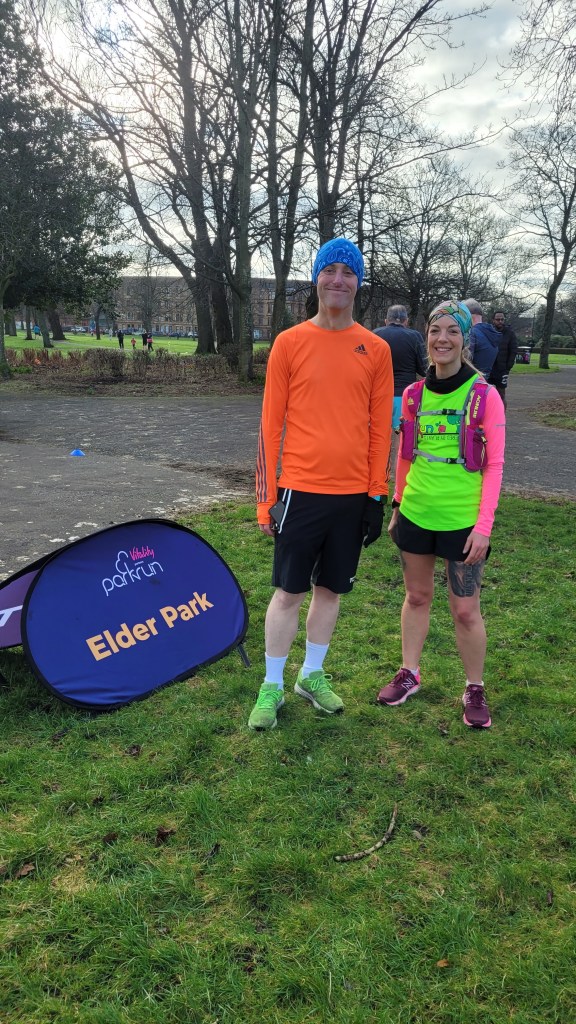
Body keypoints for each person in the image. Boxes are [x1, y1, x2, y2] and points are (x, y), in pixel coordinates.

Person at [250, 238, 394, 730]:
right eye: (329, 270)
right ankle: (271, 686)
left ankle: (311, 675)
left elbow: (380, 428)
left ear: (358, 283)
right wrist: (265, 498)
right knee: (289, 592)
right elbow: (270, 426)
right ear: (317, 278)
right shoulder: (289, 343)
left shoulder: (375, 349)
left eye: (348, 272)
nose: (338, 279)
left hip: (352, 496)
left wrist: (378, 494)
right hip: (298, 491)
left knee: (330, 591)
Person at [377, 300, 505, 729]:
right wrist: (398, 504)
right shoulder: (413, 394)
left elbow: (494, 466)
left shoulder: (484, 396)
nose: (442, 339)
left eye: (452, 331)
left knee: (465, 610)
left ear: (464, 339)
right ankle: (410, 672)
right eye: (435, 330)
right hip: (415, 513)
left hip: (463, 522)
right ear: (426, 337)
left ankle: (474, 686)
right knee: (416, 597)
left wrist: (483, 527)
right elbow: (406, 456)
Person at [373, 304, 427, 431]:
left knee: (379, 437)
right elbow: (424, 369)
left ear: (386, 321)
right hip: (404, 396)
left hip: (378, 396)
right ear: (406, 321)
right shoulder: (414, 336)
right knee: (402, 437)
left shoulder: (374, 335)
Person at [462, 298, 500, 377]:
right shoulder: (491, 332)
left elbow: (465, 360)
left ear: (468, 315)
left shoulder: (472, 333)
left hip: (470, 379)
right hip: (484, 379)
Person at [489, 310, 518, 409]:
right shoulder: (488, 332)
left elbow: (513, 350)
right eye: (498, 319)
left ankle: (502, 419)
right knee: (484, 394)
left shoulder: (510, 333)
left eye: (502, 319)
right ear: (493, 320)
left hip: (502, 369)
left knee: (501, 394)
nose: (500, 321)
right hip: (488, 368)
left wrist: (508, 367)